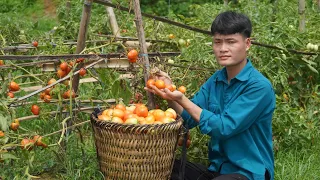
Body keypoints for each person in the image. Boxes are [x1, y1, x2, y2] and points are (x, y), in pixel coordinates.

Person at [145, 11, 276, 180]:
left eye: (231, 42)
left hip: (248, 173)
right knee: (162, 167)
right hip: (218, 170)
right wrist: (171, 95)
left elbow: (224, 127)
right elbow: (188, 119)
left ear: (247, 43)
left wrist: (183, 99)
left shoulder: (259, 87)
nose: (223, 49)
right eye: (217, 42)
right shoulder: (216, 80)